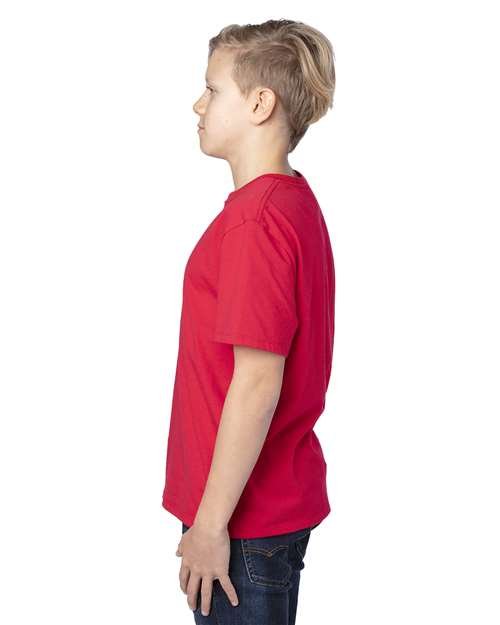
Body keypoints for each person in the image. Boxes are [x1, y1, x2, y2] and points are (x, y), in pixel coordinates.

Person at [161, 18, 336, 624]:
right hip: (267, 511)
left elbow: (258, 382)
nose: (198, 104)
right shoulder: (291, 200)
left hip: (241, 523)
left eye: (213, 90)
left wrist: (210, 525)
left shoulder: (255, 222)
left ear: (260, 104)